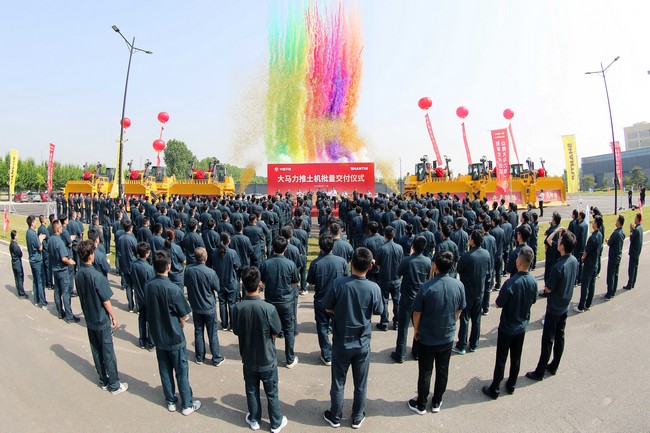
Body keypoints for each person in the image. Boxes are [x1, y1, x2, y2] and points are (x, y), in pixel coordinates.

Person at [322, 247, 383, 429]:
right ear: (370, 266)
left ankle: (336, 415)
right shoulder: (373, 288)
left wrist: (340, 311)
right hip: (362, 342)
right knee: (360, 383)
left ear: (351, 263)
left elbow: (327, 307)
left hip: (342, 340)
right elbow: (379, 310)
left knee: (338, 382)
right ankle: (357, 416)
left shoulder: (339, 284)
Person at [232, 266, 288, 433]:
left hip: (248, 356)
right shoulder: (268, 308)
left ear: (243, 283)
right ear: (260, 284)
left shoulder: (238, 308)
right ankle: (275, 422)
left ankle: (255, 418)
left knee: (252, 390)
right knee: (271, 392)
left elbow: (236, 330)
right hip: (267, 357)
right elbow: (277, 331)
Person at [408, 251, 465, 415]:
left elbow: (417, 312)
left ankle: (421, 403)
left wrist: (416, 330)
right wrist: (452, 322)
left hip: (428, 336)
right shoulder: (458, 285)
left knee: (425, 371)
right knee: (442, 370)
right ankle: (437, 401)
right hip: (446, 335)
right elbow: (460, 308)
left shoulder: (426, 287)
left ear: (435, 266)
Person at [145, 250, 201, 415]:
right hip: (174, 335)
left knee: (164, 368)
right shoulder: (173, 289)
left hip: (158, 334)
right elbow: (184, 312)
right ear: (168, 266)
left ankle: (170, 399)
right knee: (181, 371)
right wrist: (182, 322)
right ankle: (187, 404)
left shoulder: (149, 286)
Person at [482, 246, 537, 399]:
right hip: (521, 325)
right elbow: (533, 300)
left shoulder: (511, 283)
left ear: (519, 262)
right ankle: (511, 384)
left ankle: (495, 388)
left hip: (507, 326)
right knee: (516, 357)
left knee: (501, 359)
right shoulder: (533, 282)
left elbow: (499, 303)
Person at [74, 240, 128, 395]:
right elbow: (105, 300)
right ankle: (114, 384)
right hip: (100, 318)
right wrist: (114, 317)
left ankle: (103, 379)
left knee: (96, 350)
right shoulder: (96, 276)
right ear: (91, 255)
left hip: (89, 318)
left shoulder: (78, 274)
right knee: (108, 352)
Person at [526, 230, 578, 381]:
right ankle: (554, 365)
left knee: (547, 340)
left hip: (554, 307)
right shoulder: (573, 261)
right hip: (564, 304)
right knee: (560, 336)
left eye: (560, 241)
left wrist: (545, 289)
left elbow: (548, 288)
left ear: (562, 246)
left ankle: (540, 371)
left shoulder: (558, 267)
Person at [307, 235, 350, 366]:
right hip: (337, 300)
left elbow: (311, 281)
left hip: (321, 299)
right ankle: (338, 351)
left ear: (320, 247)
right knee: (339, 326)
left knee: (322, 328)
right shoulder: (342, 261)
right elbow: (346, 277)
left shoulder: (316, 263)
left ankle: (327, 354)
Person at [260, 236, 299, 368]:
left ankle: (271, 357)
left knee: (271, 331)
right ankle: (290, 358)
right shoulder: (290, 264)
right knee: (288, 330)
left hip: (271, 301)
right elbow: (294, 282)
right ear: (286, 249)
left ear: (272, 248)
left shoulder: (266, 264)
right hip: (286, 301)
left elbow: (262, 281)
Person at [391, 236, 431, 363]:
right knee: (418, 325)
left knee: (403, 326)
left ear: (412, 246)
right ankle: (416, 352)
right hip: (421, 297)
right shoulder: (427, 261)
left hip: (407, 297)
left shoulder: (407, 260)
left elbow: (398, 273)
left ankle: (400, 353)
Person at [184, 247, 224, 366]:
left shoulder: (188, 270)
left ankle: (200, 356)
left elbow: (186, 283)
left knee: (198, 331)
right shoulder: (210, 272)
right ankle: (216, 357)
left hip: (196, 305)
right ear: (205, 258)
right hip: (208, 306)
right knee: (212, 334)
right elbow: (217, 287)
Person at [453, 230, 490, 355]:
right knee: (476, 318)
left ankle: (462, 344)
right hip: (480, 291)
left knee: (465, 318)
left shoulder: (467, 256)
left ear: (473, 241)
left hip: (467, 291)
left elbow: (459, 269)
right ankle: (474, 343)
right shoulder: (486, 254)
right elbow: (488, 270)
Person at [375, 226, 404, 331]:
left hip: (384, 278)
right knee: (397, 301)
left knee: (384, 301)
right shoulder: (399, 248)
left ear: (385, 236)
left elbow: (378, 265)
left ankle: (384, 322)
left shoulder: (381, 249)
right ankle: (396, 322)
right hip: (396, 278)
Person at [49, 219, 79, 322]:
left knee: (57, 291)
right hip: (62, 269)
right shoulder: (59, 241)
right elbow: (63, 258)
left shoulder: (50, 239)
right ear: (58, 228)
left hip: (55, 269)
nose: (62, 228)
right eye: (61, 227)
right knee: (66, 293)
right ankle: (69, 316)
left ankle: (60, 312)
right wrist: (70, 261)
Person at [574, 216, 604, 313]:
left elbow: (586, 252)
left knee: (585, 286)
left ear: (596, 224)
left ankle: (581, 306)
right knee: (592, 285)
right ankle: (588, 304)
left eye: (594, 221)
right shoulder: (600, 235)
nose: (592, 223)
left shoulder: (592, 238)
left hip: (589, 264)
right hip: (594, 263)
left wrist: (582, 258)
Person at [213, 232, 241, 331]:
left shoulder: (215, 252)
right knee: (232, 303)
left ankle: (224, 324)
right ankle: (233, 325)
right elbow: (237, 266)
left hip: (220, 281)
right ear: (228, 241)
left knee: (222, 303)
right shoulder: (232, 253)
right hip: (231, 281)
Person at [131, 242, 156, 350]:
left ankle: (142, 340)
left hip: (139, 294)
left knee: (142, 317)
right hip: (148, 297)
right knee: (150, 320)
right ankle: (150, 342)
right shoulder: (148, 269)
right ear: (146, 254)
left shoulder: (134, 264)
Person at [26, 215, 49, 309]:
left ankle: (36, 300)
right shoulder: (32, 234)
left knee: (35, 281)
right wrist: (40, 239)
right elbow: (40, 247)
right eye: (35, 222)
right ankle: (43, 303)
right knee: (40, 281)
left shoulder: (28, 232)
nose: (36, 223)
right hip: (37, 260)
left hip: (32, 259)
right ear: (32, 223)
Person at [117, 220, 138, 312]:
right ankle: (137, 306)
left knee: (128, 286)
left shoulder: (120, 238)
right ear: (130, 228)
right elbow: (137, 251)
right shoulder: (132, 238)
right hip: (132, 264)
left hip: (124, 264)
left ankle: (130, 305)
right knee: (135, 286)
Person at [604, 215, 625, 300]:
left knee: (611, 275)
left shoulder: (616, 233)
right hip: (618, 255)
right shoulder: (622, 232)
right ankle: (613, 291)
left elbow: (610, 243)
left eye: (617, 221)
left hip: (613, 256)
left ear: (619, 222)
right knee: (615, 274)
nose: (615, 222)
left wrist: (607, 241)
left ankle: (609, 293)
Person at [623, 212, 643, 290]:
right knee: (635, 267)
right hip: (638, 251)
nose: (634, 219)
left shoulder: (636, 230)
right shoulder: (640, 228)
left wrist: (631, 230)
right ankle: (633, 282)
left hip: (634, 252)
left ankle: (630, 284)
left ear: (637, 219)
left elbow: (631, 239)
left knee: (631, 268)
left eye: (635, 218)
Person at [10, 230, 28, 299]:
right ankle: (22, 293)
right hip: (17, 264)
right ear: (14, 236)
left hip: (14, 263)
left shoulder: (11, 244)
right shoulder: (15, 245)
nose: (18, 236)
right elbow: (20, 254)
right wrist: (21, 249)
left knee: (17, 278)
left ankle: (19, 291)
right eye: (17, 235)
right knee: (20, 278)